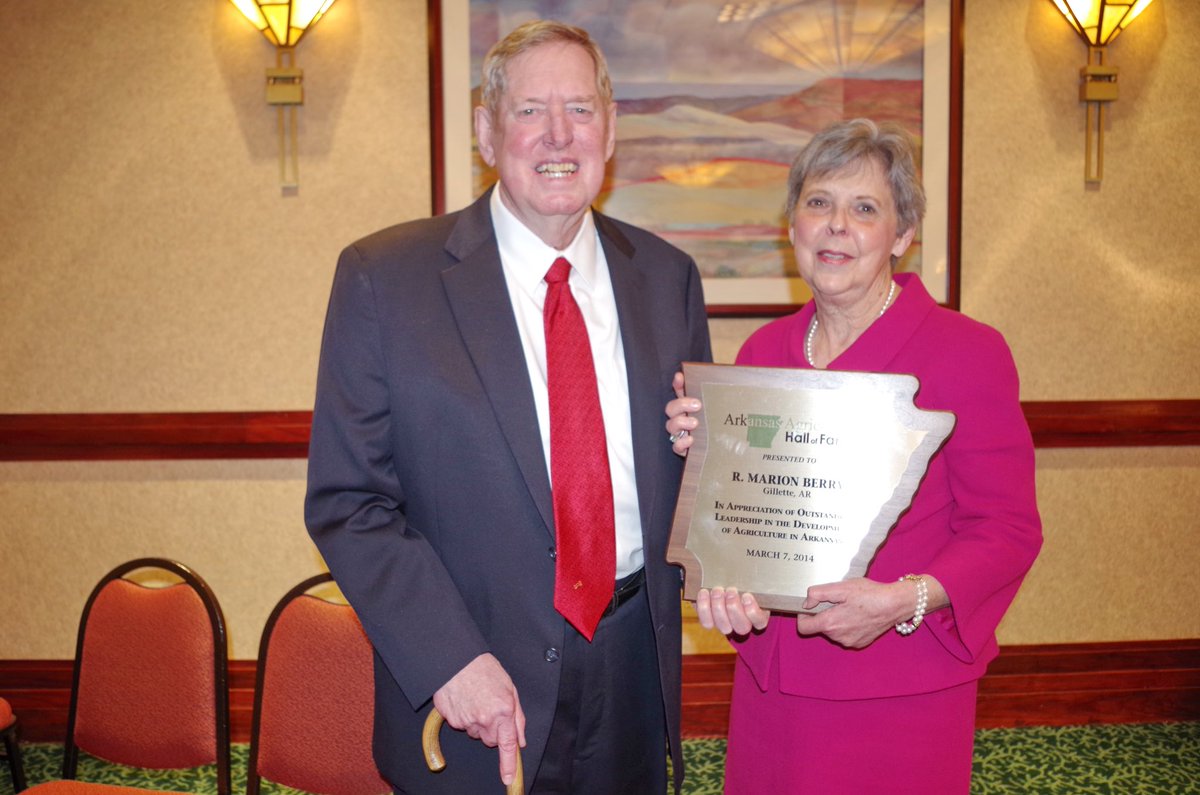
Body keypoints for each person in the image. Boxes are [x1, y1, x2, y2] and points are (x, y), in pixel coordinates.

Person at [305, 19, 710, 795]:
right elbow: (349, 501)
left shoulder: (667, 278)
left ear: (611, 127)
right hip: (473, 676)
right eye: (530, 110)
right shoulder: (385, 280)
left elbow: (694, 475)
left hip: (632, 667)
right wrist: (447, 656)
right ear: (487, 134)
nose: (559, 134)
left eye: (581, 109)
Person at [665, 118, 1042, 794]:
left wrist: (904, 599)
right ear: (793, 228)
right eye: (818, 202)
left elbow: (1008, 530)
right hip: (773, 687)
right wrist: (723, 574)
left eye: (864, 208)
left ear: (901, 236)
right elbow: (741, 524)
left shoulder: (968, 352)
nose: (836, 224)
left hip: (902, 686)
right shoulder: (760, 358)